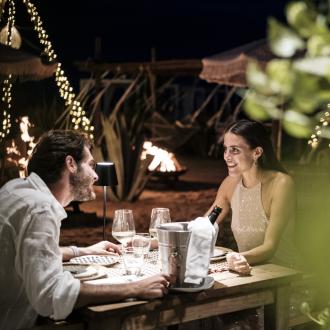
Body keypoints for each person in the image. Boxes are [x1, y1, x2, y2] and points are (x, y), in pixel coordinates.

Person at [0, 130, 170, 330]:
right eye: (91, 165)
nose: (96, 176)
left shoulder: (16, 190)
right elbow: (51, 295)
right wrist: (135, 288)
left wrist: (83, 251)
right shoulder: (40, 209)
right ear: (71, 164)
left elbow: (26, 255)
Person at [206, 119, 298, 274]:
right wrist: (159, 240)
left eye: (235, 150)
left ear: (257, 152)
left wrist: (236, 258)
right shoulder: (230, 184)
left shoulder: (281, 183)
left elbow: (270, 247)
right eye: (225, 149)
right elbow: (203, 226)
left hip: (285, 276)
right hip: (247, 272)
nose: (227, 156)